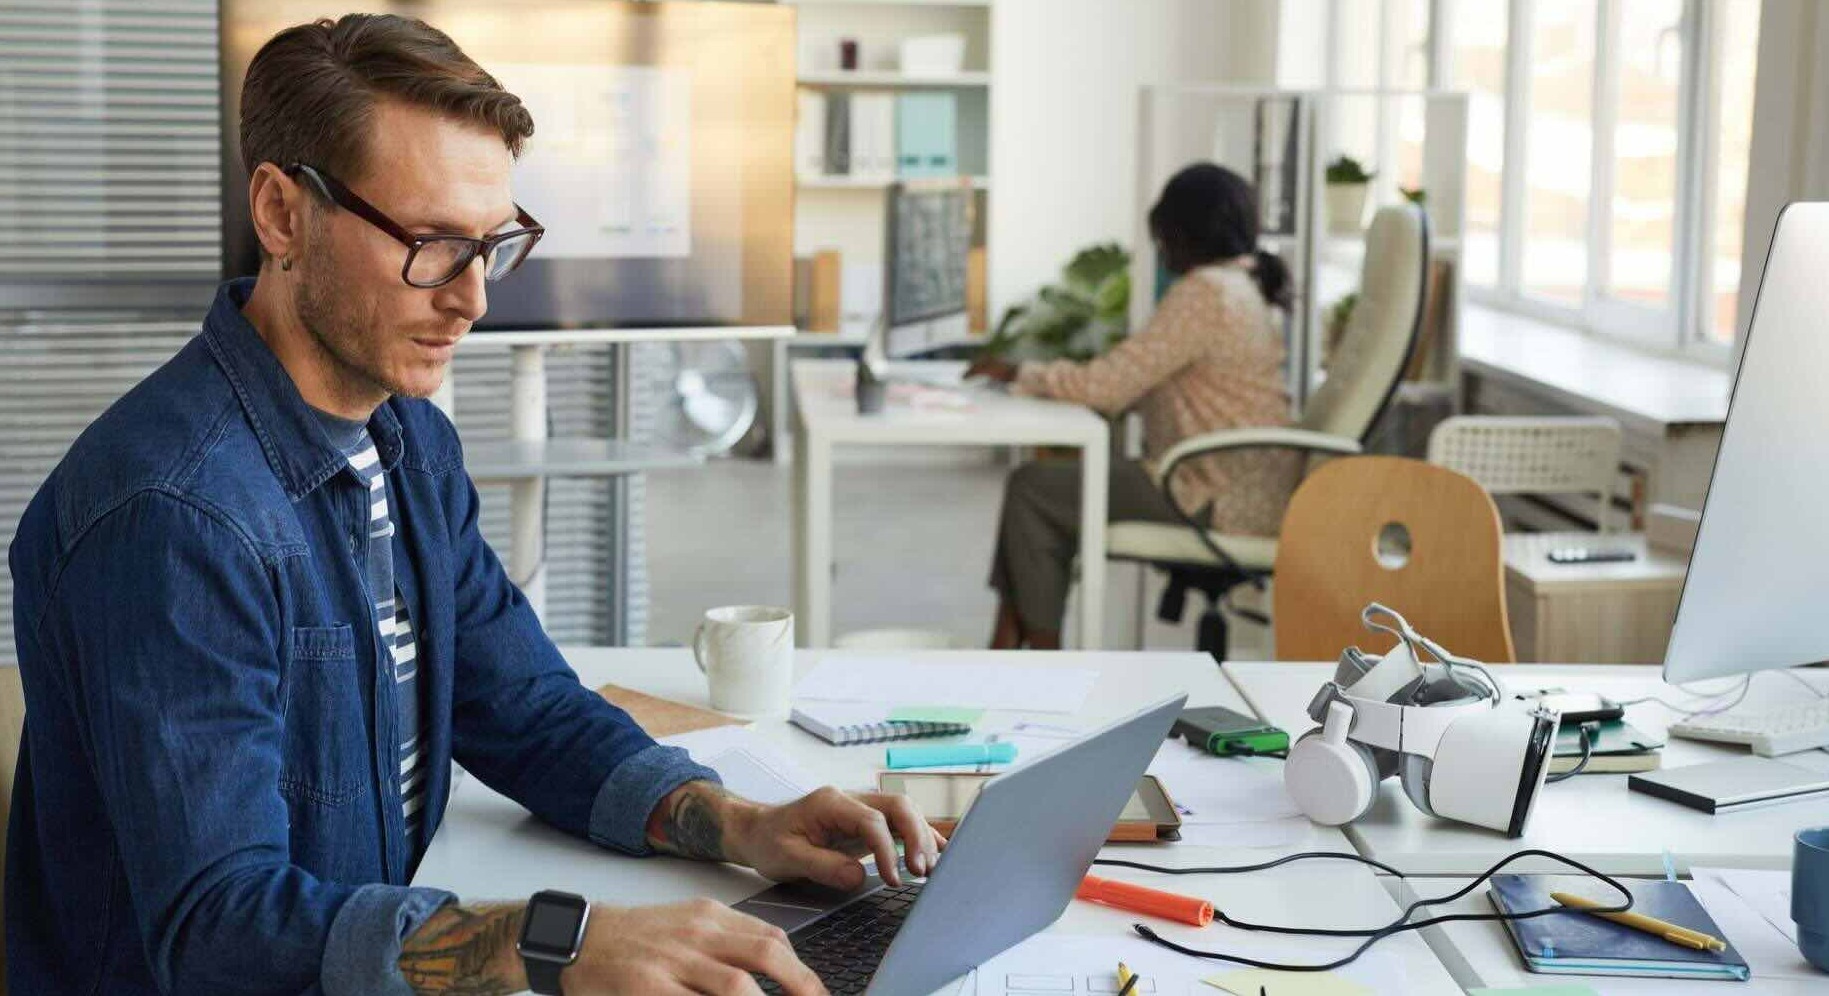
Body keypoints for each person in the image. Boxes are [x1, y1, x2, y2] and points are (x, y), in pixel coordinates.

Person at [6, 15, 939, 996]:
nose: (475, 299)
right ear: (282, 214)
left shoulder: (403, 439)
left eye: (493, 243)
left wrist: (739, 821)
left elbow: (521, 705)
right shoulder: (175, 515)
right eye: (433, 245)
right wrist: (554, 947)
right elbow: (216, 928)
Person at [969, 163, 1304, 650]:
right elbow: (1133, 375)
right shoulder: (1237, 286)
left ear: (1184, 232)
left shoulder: (1205, 293)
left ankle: (1032, 655)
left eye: (1164, 236)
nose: (1162, 250)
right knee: (1049, 490)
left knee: (1034, 490)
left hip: (1208, 491)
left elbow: (1108, 385)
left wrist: (1020, 372)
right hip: (1235, 481)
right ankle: (1009, 643)